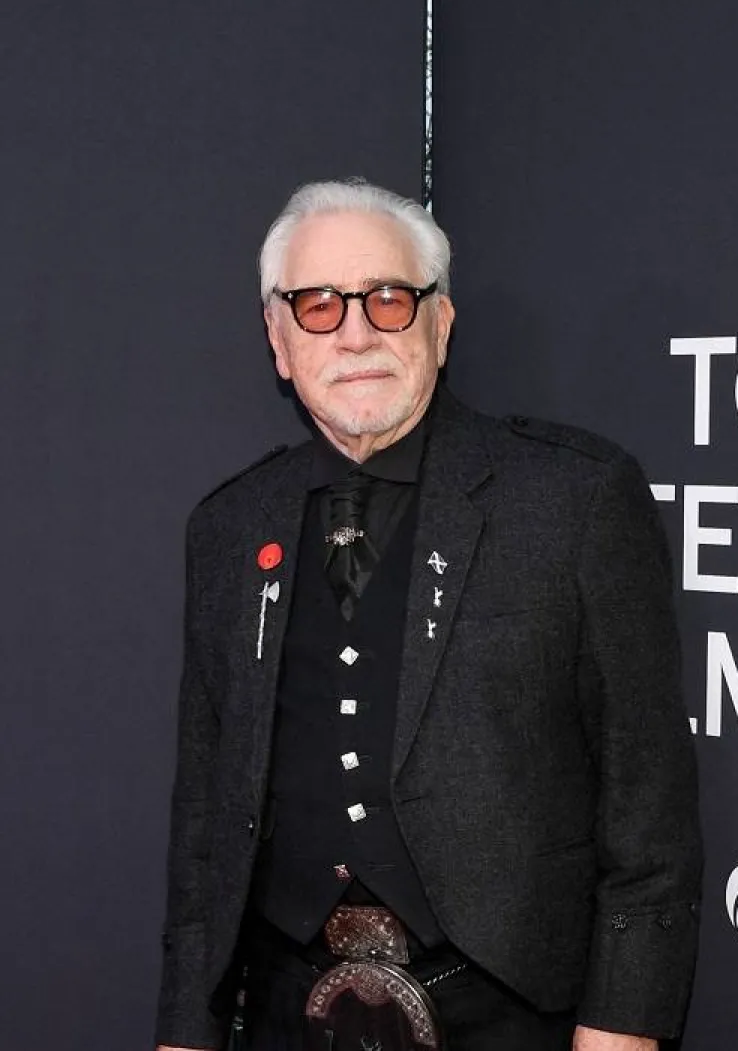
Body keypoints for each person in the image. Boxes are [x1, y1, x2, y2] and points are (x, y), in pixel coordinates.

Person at [154, 179, 702, 1051]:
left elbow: (651, 809)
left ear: (440, 325)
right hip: (282, 1010)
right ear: (279, 340)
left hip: (512, 1014)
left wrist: (623, 1031)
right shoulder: (228, 528)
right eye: (319, 304)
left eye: (389, 298)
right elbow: (204, 821)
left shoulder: (574, 500)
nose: (359, 331)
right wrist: (187, 1031)